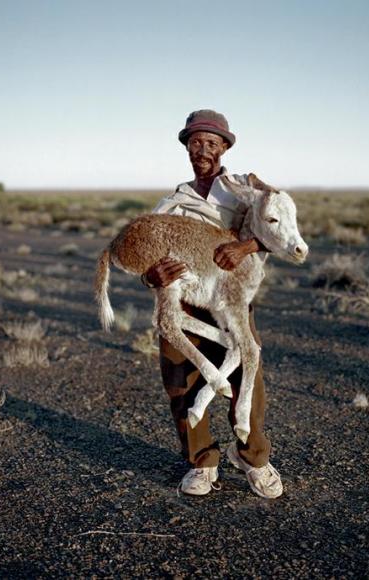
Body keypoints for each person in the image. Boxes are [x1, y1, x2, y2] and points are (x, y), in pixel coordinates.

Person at [142, 110, 283, 499]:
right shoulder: (172, 201)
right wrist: (151, 276)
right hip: (184, 304)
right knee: (181, 381)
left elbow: (280, 225)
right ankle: (201, 461)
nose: (202, 149)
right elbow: (148, 255)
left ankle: (254, 459)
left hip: (230, 300)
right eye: (195, 142)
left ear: (224, 147)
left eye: (210, 142)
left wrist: (245, 246)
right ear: (187, 148)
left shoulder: (244, 190)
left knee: (246, 379)